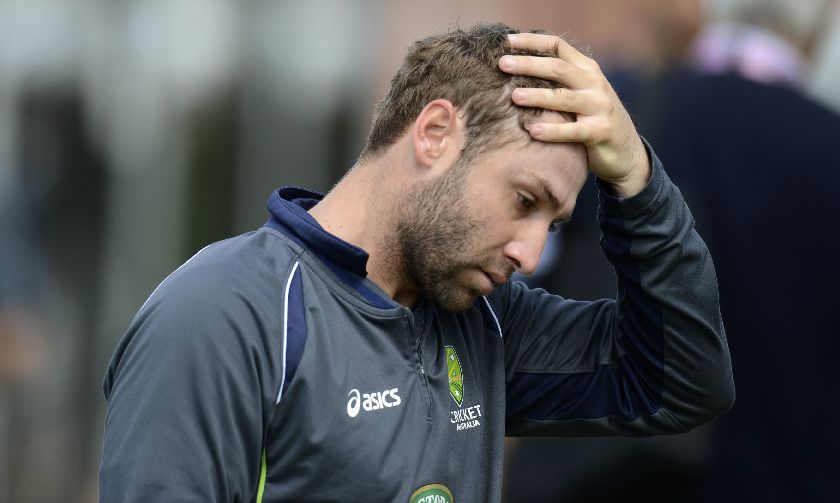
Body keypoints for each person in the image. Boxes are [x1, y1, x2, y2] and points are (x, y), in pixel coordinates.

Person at [99, 23, 734, 502]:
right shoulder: (221, 315)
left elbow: (680, 383)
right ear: (435, 134)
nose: (532, 254)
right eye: (524, 200)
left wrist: (640, 183)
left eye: (553, 224)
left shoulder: (487, 324)